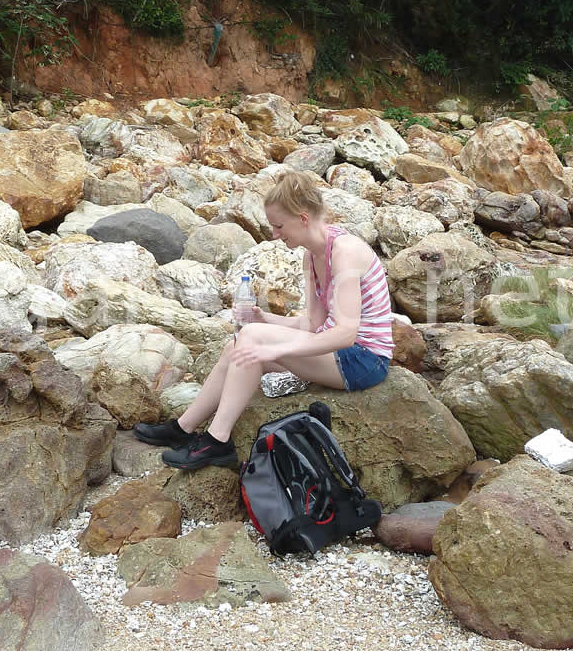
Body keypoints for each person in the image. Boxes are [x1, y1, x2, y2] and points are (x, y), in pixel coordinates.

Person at [133, 170, 394, 469]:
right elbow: (313, 325)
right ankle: (183, 428)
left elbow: (346, 333)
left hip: (365, 360)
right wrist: (264, 318)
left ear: (303, 218)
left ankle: (217, 441)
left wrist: (276, 349)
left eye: (279, 226)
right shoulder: (312, 256)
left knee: (253, 340)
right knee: (237, 347)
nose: (274, 234)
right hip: (339, 354)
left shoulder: (345, 252)